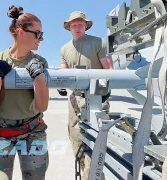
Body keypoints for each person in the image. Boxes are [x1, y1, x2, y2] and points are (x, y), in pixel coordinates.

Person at [0, 5, 49, 180]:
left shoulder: (40, 62)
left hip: (33, 130)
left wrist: (39, 76)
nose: (41, 39)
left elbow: (43, 106)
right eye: (38, 33)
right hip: (1, 132)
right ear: (21, 32)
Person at [59, 11, 113, 180]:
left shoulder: (99, 43)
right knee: (75, 134)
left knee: (96, 136)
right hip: (75, 97)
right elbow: (64, 70)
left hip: (97, 94)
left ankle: (94, 174)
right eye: (73, 25)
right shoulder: (64, 49)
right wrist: (61, 83)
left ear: (86, 26)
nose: (77, 27)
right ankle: (84, 171)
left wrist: (104, 93)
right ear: (69, 27)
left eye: (80, 24)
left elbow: (109, 70)